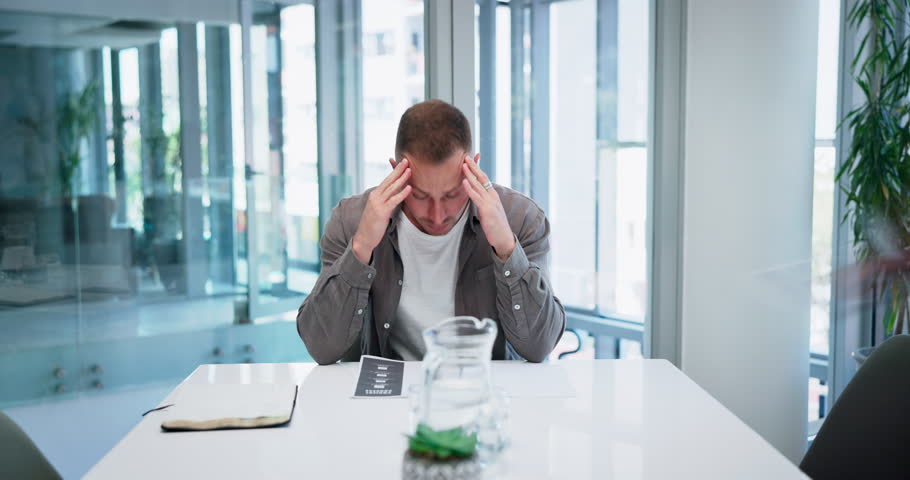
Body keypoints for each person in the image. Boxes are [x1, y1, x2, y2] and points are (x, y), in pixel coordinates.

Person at [297, 99, 565, 364]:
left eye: (452, 194)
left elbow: (539, 346)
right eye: (422, 196)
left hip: (481, 389)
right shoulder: (351, 220)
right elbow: (322, 347)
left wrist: (506, 247)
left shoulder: (521, 219)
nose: (437, 216)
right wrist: (362, 247)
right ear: (396, 172)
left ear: (473, 167)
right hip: (386, 397)